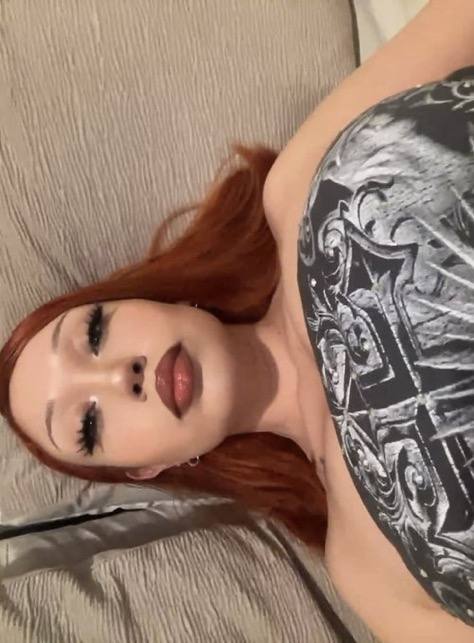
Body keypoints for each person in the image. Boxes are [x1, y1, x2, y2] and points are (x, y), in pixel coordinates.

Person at [1, 1, 473, 640]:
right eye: (89, 424)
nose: (119, 377)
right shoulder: (365, 569)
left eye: (95, 334)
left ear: (145, 298)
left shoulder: (298, 188)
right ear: (148, 470)